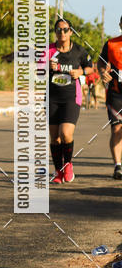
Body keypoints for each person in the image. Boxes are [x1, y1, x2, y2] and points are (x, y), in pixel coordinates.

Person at [48, 18, 93, 184]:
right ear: (55, 32)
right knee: (55, 138)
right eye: (59, 30)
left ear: (71, 32)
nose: (62, 33)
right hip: (52, 98)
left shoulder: (79, 51)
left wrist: (81, 72)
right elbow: (37, 67)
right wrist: (47, 66)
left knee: (65, 133)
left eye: (65, 30)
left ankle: (68, 165)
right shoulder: (49, 50)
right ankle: (58, 172)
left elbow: (90, 67)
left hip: (71, 98)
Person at [97, 16, 122, 180]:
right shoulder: (111, 43)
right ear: (120, 24)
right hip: (116, 94)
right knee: (117, 129)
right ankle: (118, 166)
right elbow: (100, 61)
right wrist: (102, 72)